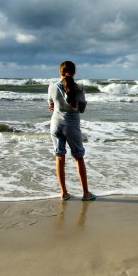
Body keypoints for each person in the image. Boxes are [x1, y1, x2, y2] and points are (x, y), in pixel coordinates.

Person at [48, 61, 96, 202]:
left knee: (59, 157)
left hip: (55, 124)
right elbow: (81, 109)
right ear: (74, 73)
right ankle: (86, 193)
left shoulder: (52, 87)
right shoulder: (79, 89)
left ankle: (64, 193)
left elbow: (50, 105)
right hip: (71, 126)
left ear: (60, 72)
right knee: (78, 157)